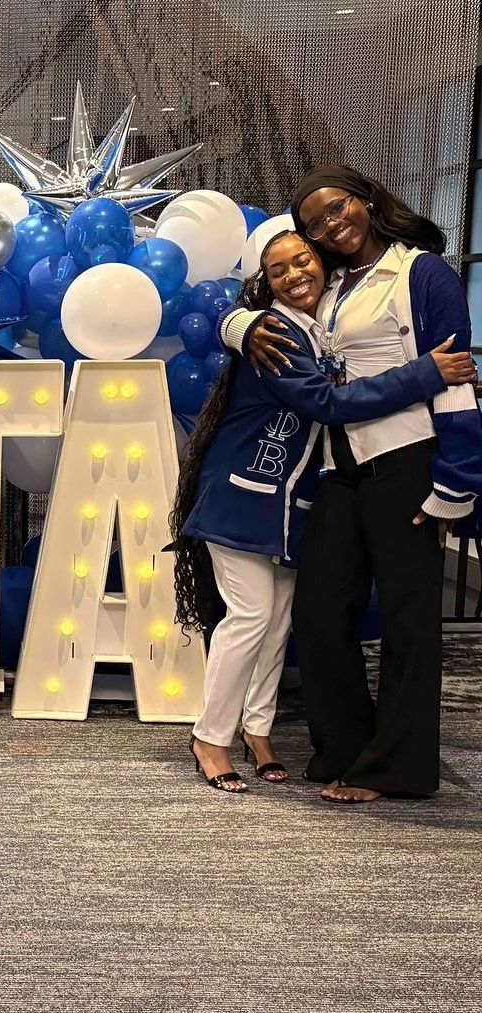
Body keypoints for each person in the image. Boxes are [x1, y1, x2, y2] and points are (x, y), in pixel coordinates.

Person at [172, 230, 475, 792]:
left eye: (302, 260)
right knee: (252, 617)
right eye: (279, 270)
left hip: (291, 504)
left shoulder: (327, 319)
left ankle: (257, 730)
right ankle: (210, 736)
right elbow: (326, 403)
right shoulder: (276, 331)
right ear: (267, 285)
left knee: (280, 617)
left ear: (323, 262)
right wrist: (428, 372)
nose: (294, 275)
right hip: (240, 499)